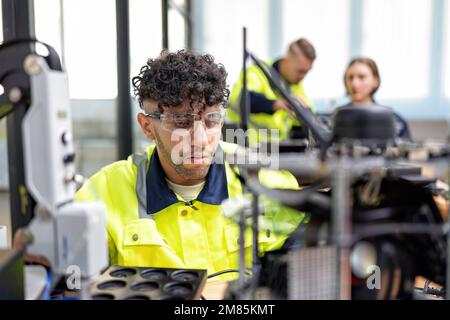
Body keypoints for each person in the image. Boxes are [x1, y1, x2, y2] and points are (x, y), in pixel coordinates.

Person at [75, 50, 306, 279]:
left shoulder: (264, 179)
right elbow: (72, 281)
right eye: (182, 122)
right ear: (147, 127)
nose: (201, 139)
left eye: (211, 120)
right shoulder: (102, 195)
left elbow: (308, 264)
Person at [227, 38, 317, 143]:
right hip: (242, 145)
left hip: (274, 148)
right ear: (286, 60)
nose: (303, 76)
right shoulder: (257, 72)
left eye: (306, 72)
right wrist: (275, 104)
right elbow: (242, 98)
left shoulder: (295, 85)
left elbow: (309, 119)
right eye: (300, 71)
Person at [336, 57, 412, 141]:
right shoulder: (335, 118)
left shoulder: (396, 121)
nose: (354, 84)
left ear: (375, 81)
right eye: (350, 78)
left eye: (361, 77)